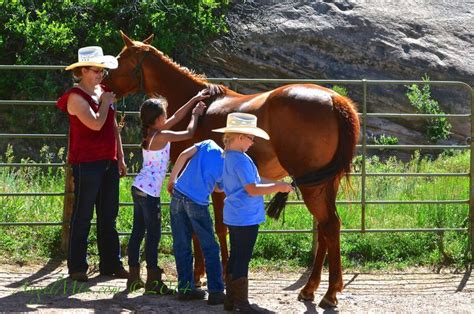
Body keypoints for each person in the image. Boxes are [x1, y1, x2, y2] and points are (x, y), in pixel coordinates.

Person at [56, 46, 128, 282]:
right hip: (86, 162)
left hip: (107, 160)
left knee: (109, 214)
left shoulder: (103, 92)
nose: (101, 74)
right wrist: (106, 102)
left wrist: (120, 156)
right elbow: (96, 124)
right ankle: (77, 266)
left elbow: (112, 127)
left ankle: (111, 263)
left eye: (102, 70)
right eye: (96, 70)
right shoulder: (75, 98)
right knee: (83, 214)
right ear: (83, 71)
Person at [127, 91, 209, 295]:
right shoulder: (162, 135)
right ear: (157, 119)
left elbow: (175, 117)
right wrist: (196, 115)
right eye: (164, 114)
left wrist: (192, 99)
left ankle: (133, 277)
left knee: (137, 233)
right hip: (149, 193)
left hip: (139, 188)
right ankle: (153, 281)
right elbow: (189, 133)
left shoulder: (151, 131)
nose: (168, 116)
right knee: (153, 235)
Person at [212, 113, 293, 312]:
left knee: (235, 256)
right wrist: (277, 187)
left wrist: (278, 183)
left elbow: (226, 185)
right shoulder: (240, 160)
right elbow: (252, 188)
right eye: (250, 137)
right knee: (242, 257)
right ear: (240, 137)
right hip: (246, 216)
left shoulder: (229, 157)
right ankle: (241, 303)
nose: (252, 141)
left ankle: (231, 300)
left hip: (234, 214)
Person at [166, 139, 226, 304]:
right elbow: (218, 189)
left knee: (181, 245)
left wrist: (172, 179)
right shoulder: (227, 165)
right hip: (197, 203)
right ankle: (216, 291)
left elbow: (184, 155)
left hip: (178, 195)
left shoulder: (208, 144)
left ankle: (185, 289)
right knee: (210, 247)